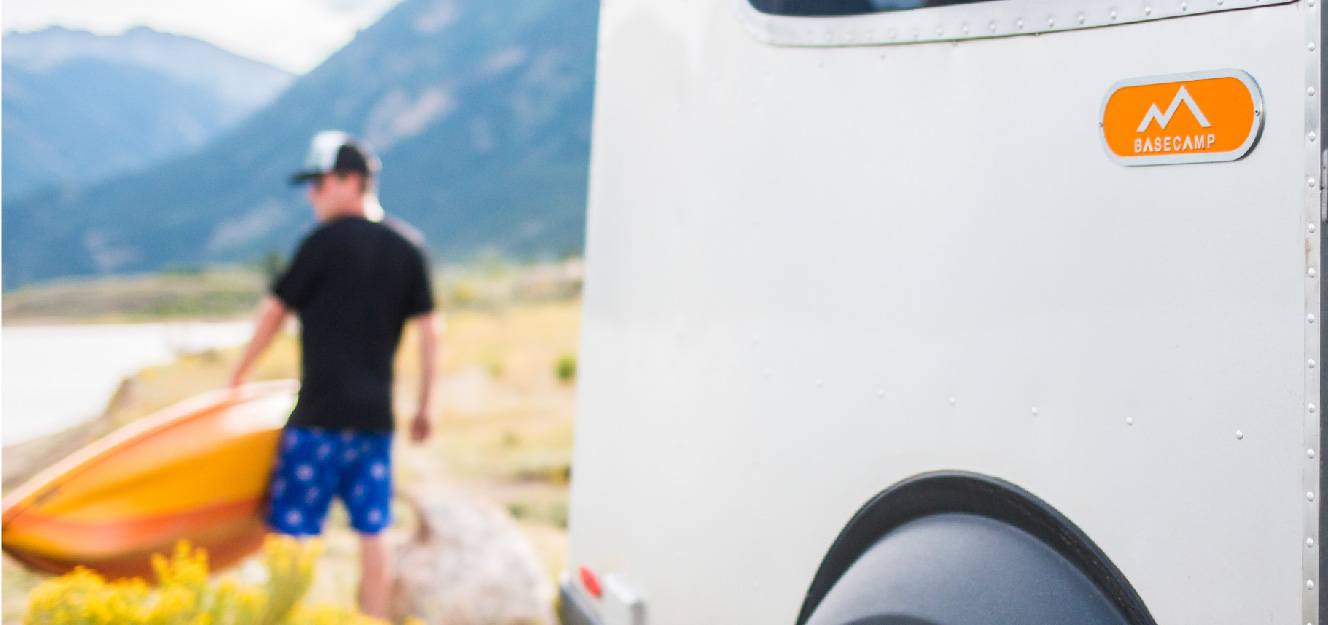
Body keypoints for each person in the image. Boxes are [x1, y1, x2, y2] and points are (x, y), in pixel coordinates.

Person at [228, 130, 440, 617]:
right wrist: (425, 405)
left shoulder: (320, 245)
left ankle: (285, 613)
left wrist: (238, 377)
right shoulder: (407, 248)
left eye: (319, 183)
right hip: (374, 422)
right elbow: (432, 332)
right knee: (374, 530)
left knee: (296, 532)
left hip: (317, 418)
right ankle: (374, 616)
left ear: (351, 181)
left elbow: (273, 314)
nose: (312, 194)